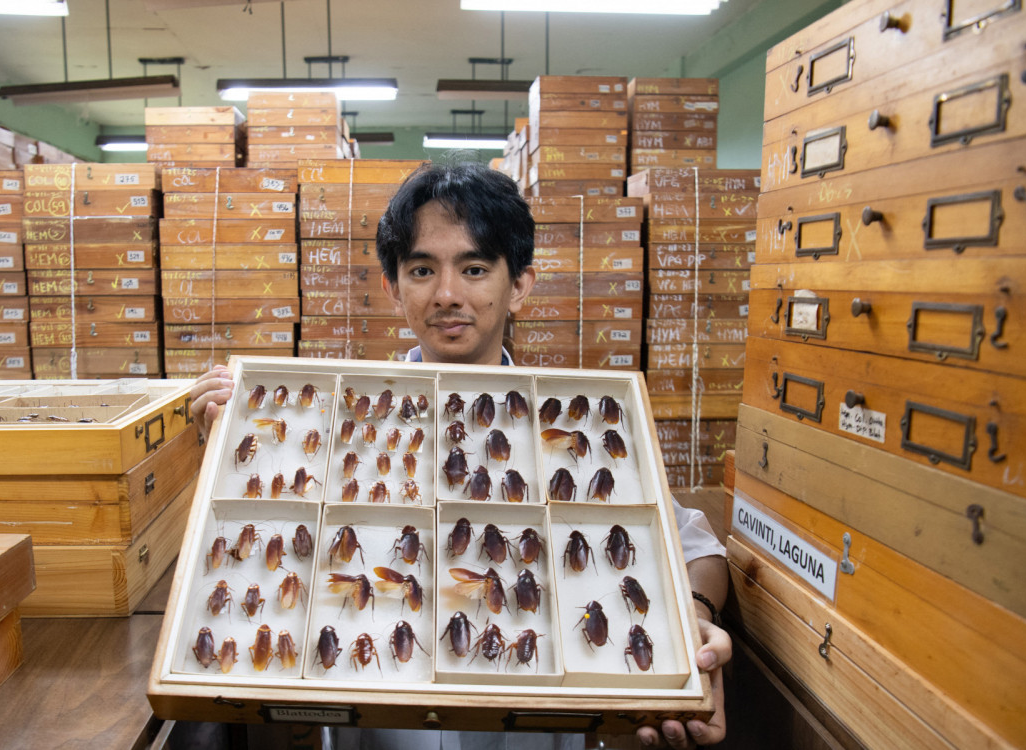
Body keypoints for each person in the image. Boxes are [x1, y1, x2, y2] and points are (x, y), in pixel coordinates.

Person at [190, 162, 731, 749]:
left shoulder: (566, 419)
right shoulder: (343, 420)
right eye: (422, 270)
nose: (447, 295)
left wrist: (696, 614)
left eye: (474, 269)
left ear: (519, 284)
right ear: (393, 286)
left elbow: (699, 547)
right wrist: (222, 455)